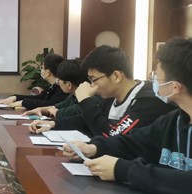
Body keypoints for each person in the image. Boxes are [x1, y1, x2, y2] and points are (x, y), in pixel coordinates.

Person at [63, 37, 192, 194]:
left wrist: (123, 170)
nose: (154, 82)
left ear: (175, 87)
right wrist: (94, 147)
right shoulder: (175, 120)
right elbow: (134, 142)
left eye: (157, 78)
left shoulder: (150, 102)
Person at [29, 45, 174, 136]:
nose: (92, 86)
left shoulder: (147, 100)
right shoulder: (111, 96)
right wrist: (54, 124)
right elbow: (87, 121)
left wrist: (85, 101)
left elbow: (113, 134)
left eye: (94, 79)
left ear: (116, 76)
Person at [23, 58, 102, 122]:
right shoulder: (73, 96)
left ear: (69, 85)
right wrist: (40, 109)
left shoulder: (90, 99)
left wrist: (55, 112)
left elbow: (63, 112)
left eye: (59, 80)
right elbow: (57, 106)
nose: (57, 82)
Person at [0, 53, 68, 110]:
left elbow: (49, 104)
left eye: (42, 67)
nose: (40, 70)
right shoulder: (54, 86)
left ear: (48, 72)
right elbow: (39, 97)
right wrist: (16, 98)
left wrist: (23, 102)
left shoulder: (62, 88)